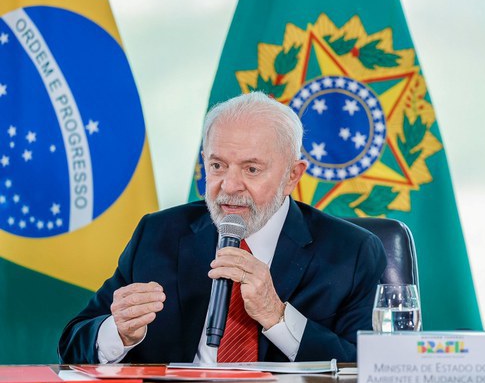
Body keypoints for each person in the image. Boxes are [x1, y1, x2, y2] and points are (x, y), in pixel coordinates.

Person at [58, 91, 387, 364]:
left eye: (252, 169)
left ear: (292, 175)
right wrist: (119, 332)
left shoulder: (352, 252)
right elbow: (73, 344)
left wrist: (277, 316)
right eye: (217, 165)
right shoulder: (158, 234)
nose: (229, 186)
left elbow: (367, 368)